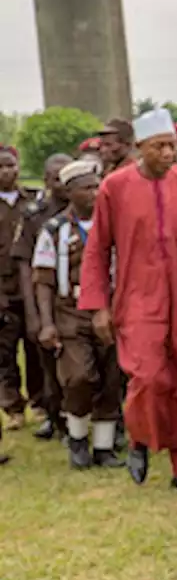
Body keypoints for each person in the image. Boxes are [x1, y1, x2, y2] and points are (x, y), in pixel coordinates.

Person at [78, 109, 177, 493]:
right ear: (140, 149)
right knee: (146, 375)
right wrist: (99, 306)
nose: (168, 153)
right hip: (137, 295)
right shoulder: (115, 187)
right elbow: (96, 250)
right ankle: (140, 438)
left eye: (172, 146)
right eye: (159, 147)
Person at [33, 160, 124, 470]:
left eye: (97, 186)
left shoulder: (114, 225)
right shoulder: (54, 229)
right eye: (86, 188)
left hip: (110, 308)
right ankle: (76, 437)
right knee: (79, 377)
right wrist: (46, 323)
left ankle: (104, 447)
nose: (95, 194)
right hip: (70, 311)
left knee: (110, 377)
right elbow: (43, 280)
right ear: (70, 192)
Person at [15, 153, 72, 441]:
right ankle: (54, 416)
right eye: (55, 177)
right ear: (46, 180)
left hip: (78, 300)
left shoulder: (92, 209)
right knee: (48, 363)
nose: (61, 182)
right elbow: (25, 265)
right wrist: (33, 313)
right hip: (46, 298)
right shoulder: (35, 215)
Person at [0, 145, 40, 431]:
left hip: (31, 288)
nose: (6, 172)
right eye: (1, 167)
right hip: (3, 288)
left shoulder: (34, 200)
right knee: (4, 352)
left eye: (11, 165)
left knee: (35, 348)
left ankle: (40, 403)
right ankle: (13, 406)